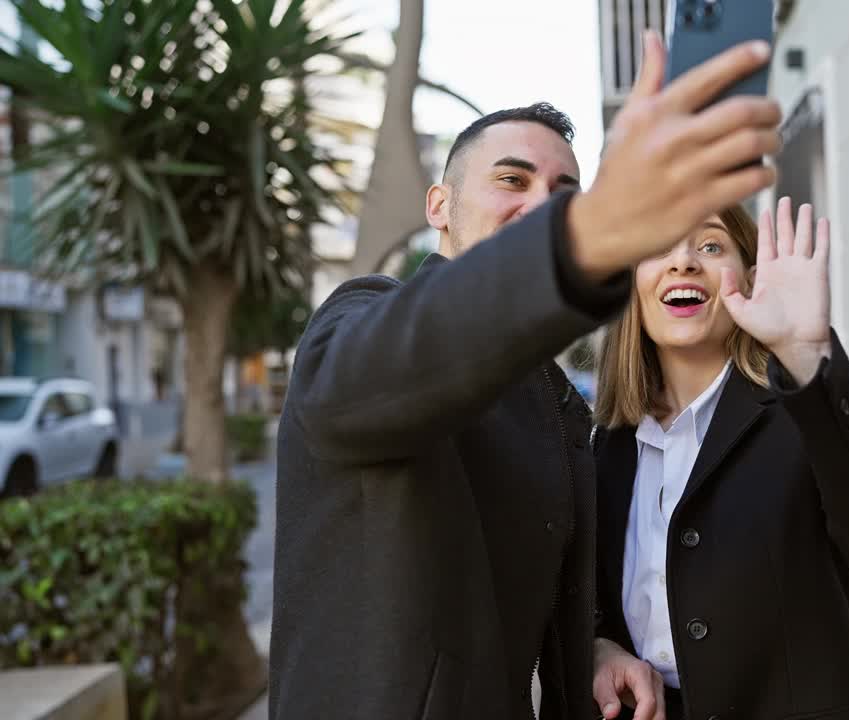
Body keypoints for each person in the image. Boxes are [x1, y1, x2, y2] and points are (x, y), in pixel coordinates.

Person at [269, 32, 781, 720]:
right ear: (440, 207)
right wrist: (587, 230)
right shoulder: (364, 321)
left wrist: (593, 649)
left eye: (564, 193)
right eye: (512, 180)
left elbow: (547, 601)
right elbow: (366, 379)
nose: (542, 203)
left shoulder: (564, 408)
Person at [589, 198, 849, 720]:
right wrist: (600, 646)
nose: (683, 261)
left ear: (751, 279)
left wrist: (806, 354)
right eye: (656, 247)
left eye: (710, 245)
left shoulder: (807, 408)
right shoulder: (605, 447)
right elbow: (581, 602)